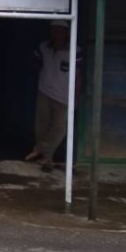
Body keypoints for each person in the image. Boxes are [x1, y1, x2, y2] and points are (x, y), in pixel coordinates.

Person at [24, 20, 82, 172]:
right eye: (53, 30)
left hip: (64, 95)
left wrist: (75, 96)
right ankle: (46, 158)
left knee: (59, 128)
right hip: (45, 91)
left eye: (59, 30)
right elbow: (35, 64)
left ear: (66, 32)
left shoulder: (75, 50)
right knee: (41, 125)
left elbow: (77, 76)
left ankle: (40, 150)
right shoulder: (43, 47)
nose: (56, 33)